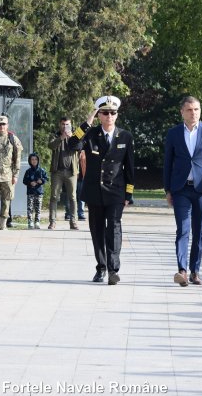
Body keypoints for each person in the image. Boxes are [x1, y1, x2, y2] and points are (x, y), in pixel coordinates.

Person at [70, 96, 134, 285]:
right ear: (99, 115)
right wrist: (88, 122)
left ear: (117, 115)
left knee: (113, 228)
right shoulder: (91, 134)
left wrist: (128, 194)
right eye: (104, 113)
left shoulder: (125, 136)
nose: (109, 116)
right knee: (97, 230)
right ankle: (101, 267)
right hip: (94, 191)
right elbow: (73, 144)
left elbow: (129, 167)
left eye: (112, 113)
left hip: (116, 191)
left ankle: (113, 269)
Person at [164, 96, 202, 286]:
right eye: (190, 110)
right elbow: (167, 163)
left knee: (199, 231)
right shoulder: (174, 133)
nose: (194, 113)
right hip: (180, 189)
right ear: (182, 112)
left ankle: (195, 271)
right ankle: (182, 270)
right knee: (183, 229)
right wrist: (168, 189)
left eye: (197, 109)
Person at [48, 117, 81, 230]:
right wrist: (61, 138)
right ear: (59, 125)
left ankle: (73, 222)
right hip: (57, 171)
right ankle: (52, 222)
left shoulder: (75, 136)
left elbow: (80, 147)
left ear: (71, 125)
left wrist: (72, 137)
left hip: (71, 172)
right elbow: (51, 146)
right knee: (54, 197)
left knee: (72, 197)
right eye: (63, 124)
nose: (65, 126)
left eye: (67, 124)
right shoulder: (55, 135)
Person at [22, 152, 48, 229]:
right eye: (32, 159)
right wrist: (30, 183)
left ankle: (37, 221)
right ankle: (30, 222)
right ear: (30, 161)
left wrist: (42, 181)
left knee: (38, 208)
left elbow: (46, 178)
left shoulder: (41, 170)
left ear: (38, 160)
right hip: (30, 192)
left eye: (35, 159)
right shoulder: (28, 171)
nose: (34, 161)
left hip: (39, 192)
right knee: (30, 208)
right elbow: (24, 181)